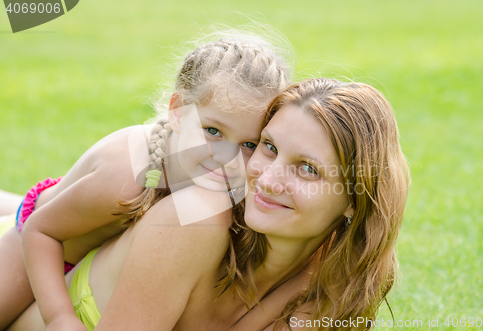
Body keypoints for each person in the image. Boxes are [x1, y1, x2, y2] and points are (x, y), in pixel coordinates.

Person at [6, 77, 410, 331]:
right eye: (268, 147)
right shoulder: (196, 220)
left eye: (307, 169)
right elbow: (42, 229)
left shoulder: (343, 275)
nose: (265, 179)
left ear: (355, 201)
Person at [0, 27, 292, 330]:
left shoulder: (221, 173)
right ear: (178, 111)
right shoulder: (126, 177)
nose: (226, 156)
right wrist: (60, 317)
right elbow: (41, 231)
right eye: (213, 131)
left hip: (93, 252)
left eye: (248, 144)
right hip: (35, 245)